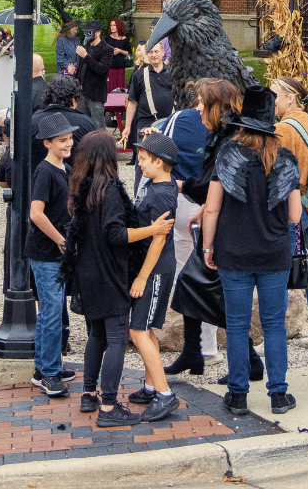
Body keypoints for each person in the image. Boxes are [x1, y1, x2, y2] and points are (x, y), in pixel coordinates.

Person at [201, 88, 301, 417]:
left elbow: (212, 210)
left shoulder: (228, 154)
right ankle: (278, 395)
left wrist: (207, 245)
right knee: (274, 325)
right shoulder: (285, 158)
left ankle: (238, 395)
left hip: (234, 253)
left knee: (237, 325)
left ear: (244, 123)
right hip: (274, 254)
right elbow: (295, 216)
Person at [61, 132, 170, 426]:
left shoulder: (83, 188)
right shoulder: (108, 189)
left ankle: (88, 394)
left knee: (97, 334)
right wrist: (153, 230)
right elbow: (116, 235)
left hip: (89, 274)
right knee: (118, 339)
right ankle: (108, 408)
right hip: (110, 275)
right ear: (107, 157)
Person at [163, 78, 242, 376]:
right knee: (191, 283)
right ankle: (194, 351)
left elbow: (216, 185)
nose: (196, 109)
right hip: (210, 213)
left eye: (201, 104)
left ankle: (246, 360)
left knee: (212, 289)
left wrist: (184, 186)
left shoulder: (229, 140)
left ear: (216, 107)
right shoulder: (222, 136)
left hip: (227, 223)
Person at [125, 132, 184, 422]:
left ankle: (164, 394)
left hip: (155, 269)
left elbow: (159, 239)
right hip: (152, 267)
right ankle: (151, 386)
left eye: (145, 160)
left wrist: (141, 278)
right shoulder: (160, 183)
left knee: (137, 331)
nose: (140, 165)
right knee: (146, 329)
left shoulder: (161, 194)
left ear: (160, 163)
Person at [271, 77, 308, 351]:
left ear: (289, 98)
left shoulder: (283, 127)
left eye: (275, 95)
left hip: (296, 204)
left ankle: (276, 334)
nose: (272, 101)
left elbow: (273, 168)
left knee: (279, 269)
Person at [26, 112, 79, 399]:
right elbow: (36, 213)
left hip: (58, 251)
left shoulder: (66, 170)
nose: (68, 144)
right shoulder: (44, 172)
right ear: (47, 143)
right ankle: (47, 372)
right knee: (50, 311)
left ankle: (49, 365)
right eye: (62, 141)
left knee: (55, 310)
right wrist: (60, 240)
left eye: (69, 139)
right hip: (46, 252)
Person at [123, 42, 175, 148]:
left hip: (168, 124)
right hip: (145, 125)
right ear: (146, 54)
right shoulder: (139, 75)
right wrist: (127, 127)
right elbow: (132, 102)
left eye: (156, 51)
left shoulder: (173, 74)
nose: (154, 55)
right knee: (143, 160)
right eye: (151, 52)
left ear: (163, 52)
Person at [76, 26, 125, 119]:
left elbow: (101, 69)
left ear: (98, 33)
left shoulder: (107, 49)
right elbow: (80, 68)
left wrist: (86, 56)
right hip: (82, 93)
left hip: (96, 94)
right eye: (86, 33)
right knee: (82, 123)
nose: (87, 35)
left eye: (90, 33)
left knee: (97, 124)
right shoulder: (86, 47)